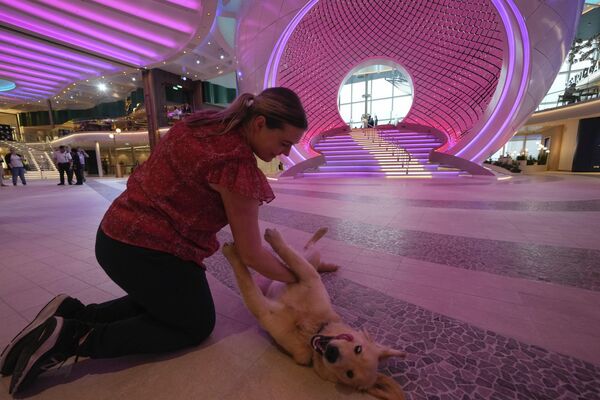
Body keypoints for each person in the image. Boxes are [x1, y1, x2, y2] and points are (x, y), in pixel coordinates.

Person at [1, 87, 308, 394]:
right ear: (259, 123)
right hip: (151, 250)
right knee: (195, 323)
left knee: (168, 300)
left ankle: (70, 313)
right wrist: (303, 277)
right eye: (284, 143)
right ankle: (72, 337)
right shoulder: (236, 163)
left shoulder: (203, 125)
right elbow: (251, 253)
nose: (284, 153)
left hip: (115, 235)